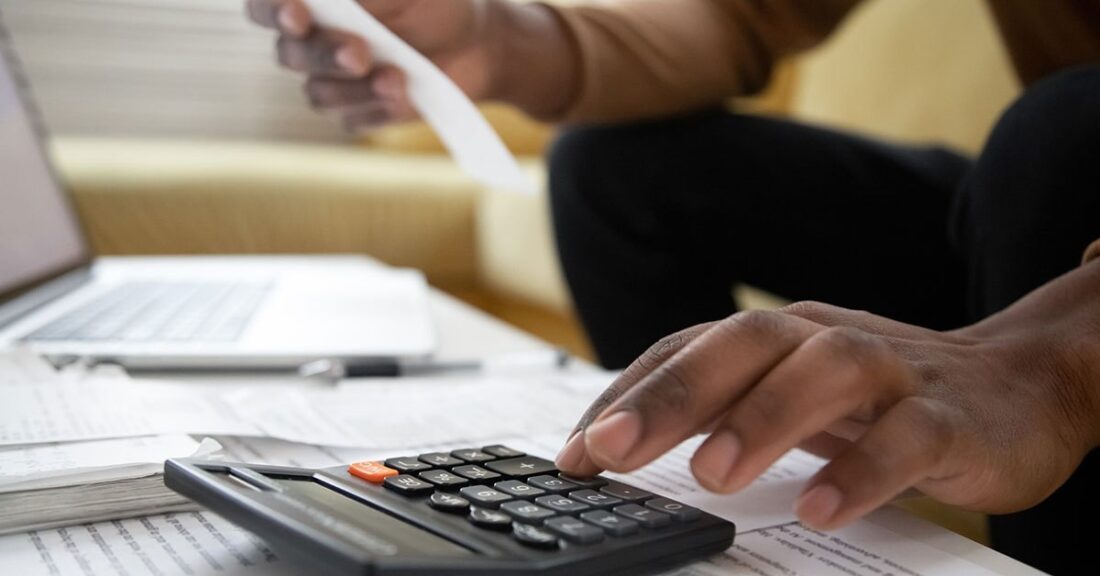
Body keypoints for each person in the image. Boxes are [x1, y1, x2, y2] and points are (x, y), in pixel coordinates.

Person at [244, 1, 1100, 572]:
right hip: (1009, 207)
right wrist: (490, 37)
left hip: (1066, 203)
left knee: (1061, 140)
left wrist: (1066, 361)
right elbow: (739, 13)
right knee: (613, 167)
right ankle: (672, 514)